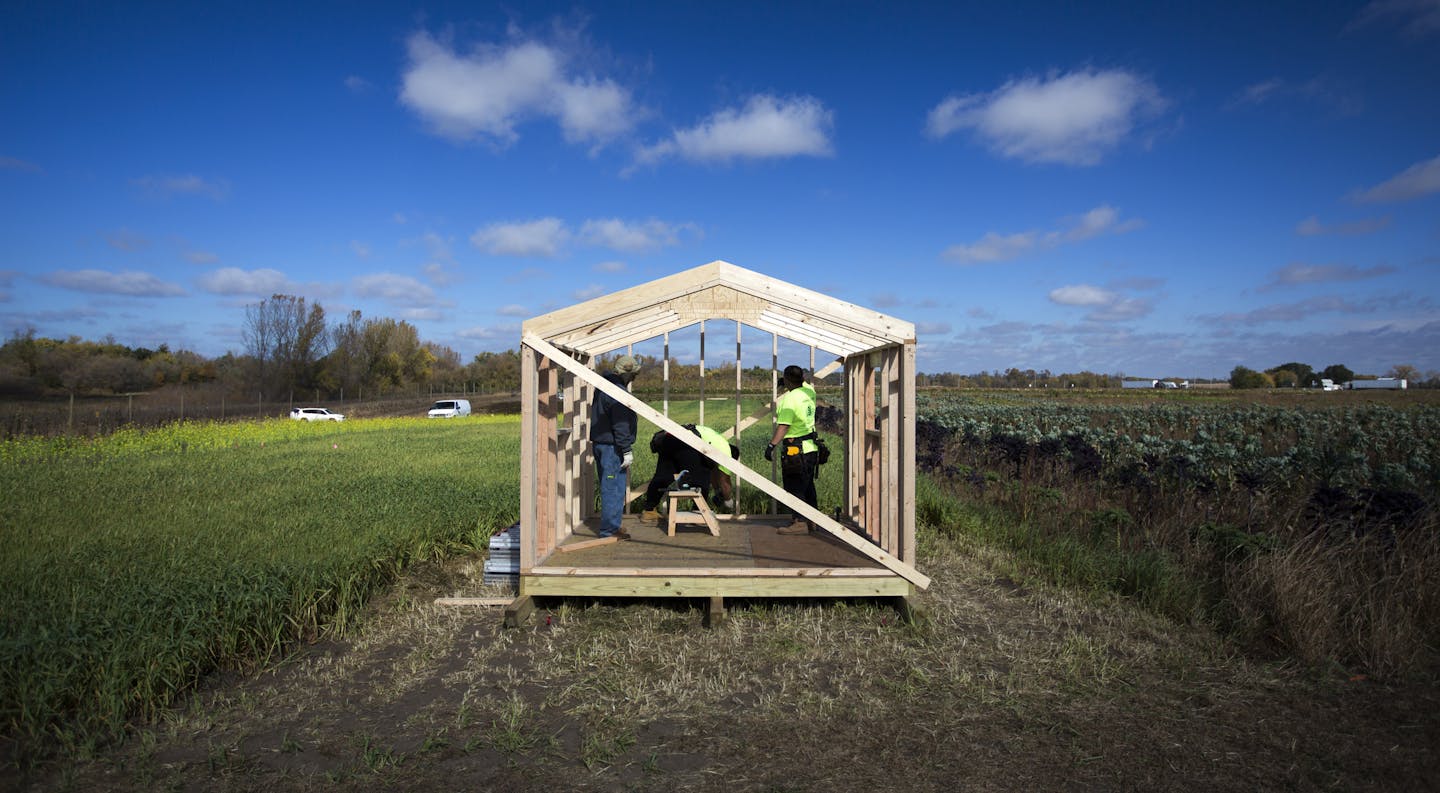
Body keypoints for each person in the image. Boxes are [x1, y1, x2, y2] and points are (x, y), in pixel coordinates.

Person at [639, 424, 739, 521]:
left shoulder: (718, 441)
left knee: (663, 476)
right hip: (687, 441)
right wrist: (727, 500)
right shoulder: (726, 454)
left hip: (668, 438)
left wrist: (717, 491)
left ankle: (649, 511)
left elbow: (713, 472)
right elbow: (724, 482)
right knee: (701, 479)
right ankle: (699, 514)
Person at [590, 354, 640, 539]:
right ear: (626, 373)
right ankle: (608, 531)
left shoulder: (604, 386)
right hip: (612, 447)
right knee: (613, 488)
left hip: (605, 445)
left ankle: (612, 527)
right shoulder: (616, 392)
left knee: (613, 486)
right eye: (633, 375)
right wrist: (626, 449)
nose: (634, 378)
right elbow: (620, 424)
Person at [765, 365, 819, 535]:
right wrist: (789, 382)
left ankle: (799, 522)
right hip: (811, 448)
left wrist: (771, 445)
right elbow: (803, 384)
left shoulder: (789, 400)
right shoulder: (809, 392)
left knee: (794, 486)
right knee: (808, 485)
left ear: (787, 380)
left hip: (795, 451)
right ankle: (813, 521)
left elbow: (784, 427)